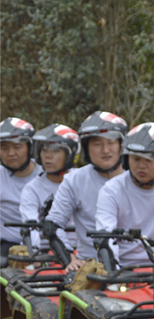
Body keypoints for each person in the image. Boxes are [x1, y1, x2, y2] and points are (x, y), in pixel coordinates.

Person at [95, 122, 154, 267]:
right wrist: (112, 270)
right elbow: (105, 236)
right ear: (126, 159)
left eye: (149, 160)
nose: (141, 166)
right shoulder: (111, 190)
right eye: (136, 159)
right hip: (124, 269)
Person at [44, 111, 128, 272]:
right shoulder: (74, 180)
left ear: (121, 145)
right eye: (97, 143)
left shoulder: (137, 179)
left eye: (111, 142)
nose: (105, 150)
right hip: (91, 265)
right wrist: (69, 257)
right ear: (86, 148)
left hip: (138, 264)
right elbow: (53, 224)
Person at [19, 123, 80, 252]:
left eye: (56, 150)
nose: (48, 156)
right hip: (45, 251)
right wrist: (34, 255)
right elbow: (30, 226)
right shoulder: (32, 188)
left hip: (82, 251)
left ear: (70, 154)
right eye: (44, 150)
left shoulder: (82, 181)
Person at [0, 117, 42, 266]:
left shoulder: (47, 175)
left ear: (29, 148)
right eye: (4, 148)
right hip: (7, 246)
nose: (10, 153)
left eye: (17, 147)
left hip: (47, 246)